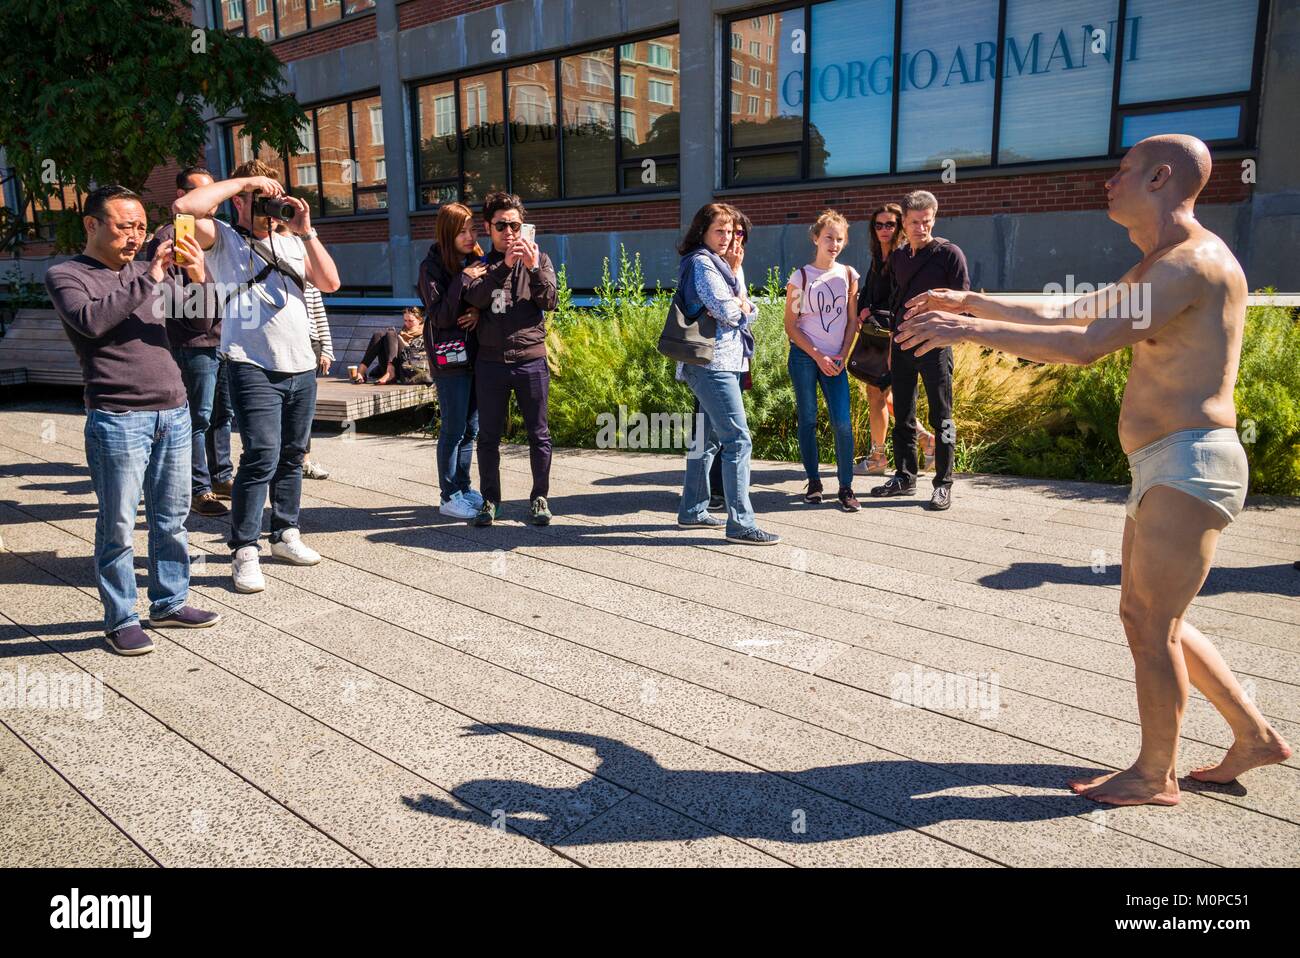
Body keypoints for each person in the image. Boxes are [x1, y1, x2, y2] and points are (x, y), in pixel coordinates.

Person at [899, 134, 1292, 806]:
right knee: (1147, 617)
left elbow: (1084, 346)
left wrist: (965, 334)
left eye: (1123, 171)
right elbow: (1072, 310)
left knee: (1152, 623)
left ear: (1162, 177)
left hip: (1191, 462)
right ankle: (1252, 736)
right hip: (1168, 463)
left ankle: (1153, 775)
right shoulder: (1158, 265)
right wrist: (973, 303)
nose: (1109, 182)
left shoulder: (1189, 265)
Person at [46, 185, 222, 655]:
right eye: (126, 226)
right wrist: (151, 273)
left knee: (171, 520)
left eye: (142, 228)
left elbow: (200, 327)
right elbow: (92, 321)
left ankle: (170, 601)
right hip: (119, 416)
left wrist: (200, 276)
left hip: (174, 410)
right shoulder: (67, 274)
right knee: (119, 524)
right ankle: (121, 618)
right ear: (92, 224)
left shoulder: (153, 274)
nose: (136, 236)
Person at [174, 160, 341, 594]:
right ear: (239, 201)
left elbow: (331, 281)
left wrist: (305, 229)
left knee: (292, 454)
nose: (266, 205)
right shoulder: (223, 239)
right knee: (260, 455)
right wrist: (244, 183)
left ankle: (285, 533)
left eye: (271, 196)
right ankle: (244, 549)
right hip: (249, 362)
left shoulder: (291, 242)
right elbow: (183, 209)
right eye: (257, 198)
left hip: (301, 363)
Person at [675, 203, 780, 545]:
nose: (727, 237)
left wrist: (740, 294)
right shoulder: (702, 263)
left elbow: (741, 307)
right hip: (712, 364)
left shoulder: (726, 265)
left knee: (707, 440)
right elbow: (729, 312)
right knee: (738, 439)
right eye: (719, 230)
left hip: (726, 361)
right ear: (703, 231)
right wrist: (744, 307)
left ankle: (692, 509)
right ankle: (741, 523)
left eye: (732, 231)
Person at [461, 192, 557, 527]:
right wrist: (505, 267)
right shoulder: (481, 266)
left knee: (538, 434)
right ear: (488, 227)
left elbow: (550, 301)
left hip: (530, 359)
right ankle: (490, 500)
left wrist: (530, 266)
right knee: (487, 436)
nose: (509, 231)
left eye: (514, 224)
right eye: (501, 225)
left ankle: (539, 497)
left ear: (524, 226)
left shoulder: (539, 259)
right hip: (491, 363)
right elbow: (474, 296)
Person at [145, 166, 234, 517]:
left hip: (226, 338)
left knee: (223, 414)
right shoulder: (171, 237)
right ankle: (199, 489)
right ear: (181, 197)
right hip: (193, 340)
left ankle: (222, 475)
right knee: (198, 417)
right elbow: (168, 297)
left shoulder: (220, 236)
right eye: (201, 194)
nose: (210, 204)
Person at [871, 190, 967, 511]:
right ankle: (905, 476)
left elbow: (964, 305)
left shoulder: (949, 255)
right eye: (914, 222)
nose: (921, 228)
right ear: (905, 222)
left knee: (943, 417)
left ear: (934, 219)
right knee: (904, 415)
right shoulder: (898, 257)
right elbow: (893, 301)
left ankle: (943, 483)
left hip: (935, 346)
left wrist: (939, 324)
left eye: (926, 222)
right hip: (902, 345)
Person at [785, 210, 861, 511]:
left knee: (842, 422)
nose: (834, 243)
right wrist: (817, 355)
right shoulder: (801, 277)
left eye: (840, 239)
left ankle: (846, 487)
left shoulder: (848, 276)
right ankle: (814, 481)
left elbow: (853, 321)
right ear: (816, 238)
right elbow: (791, 325)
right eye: (829, 237)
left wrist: (842, 354)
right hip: (805, 357)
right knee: (808, 419)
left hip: (836, 360)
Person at [853, 202, 936, 476]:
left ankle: (878, 457)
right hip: (875, 336)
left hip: (892, 336)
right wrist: (862, 309)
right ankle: (926, 440)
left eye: (890, 224)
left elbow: (899, 298)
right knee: (881, 395)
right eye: (879, 225)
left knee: (877, 395)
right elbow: (868, 291)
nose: (884, 229)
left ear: (899, 226)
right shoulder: (879, 256)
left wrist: (873, 311)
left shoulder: (901, 256)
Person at [418, 201, 486, 521]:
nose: (470, 236)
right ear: (448, 233)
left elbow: (490, 297)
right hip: (449, 360)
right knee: (454, 428)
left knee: (471, 429)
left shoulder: (476, 258)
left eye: (472, 229)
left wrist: (476, 311)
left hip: (476, 356)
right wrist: (463, 279)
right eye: (463, 231)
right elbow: (442, 315)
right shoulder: (431, 267)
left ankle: (463, 486)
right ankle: (448, 495)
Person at [302, 277, 334, 480]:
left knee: (304, 409)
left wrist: (327, 350)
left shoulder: (309, 281)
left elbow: (319, 314)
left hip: (310, 342)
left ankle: (304, 461)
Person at [351, 306, 432, 385]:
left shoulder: (425, 333)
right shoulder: (403, 332)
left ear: (420, 320)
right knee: (378, 335)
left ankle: (390, 373)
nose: (407, 323)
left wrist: (401, 341)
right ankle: (362, 371)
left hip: (410, 370)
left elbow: (419, 355)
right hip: (395, 368)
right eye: (405, 320)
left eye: (411, 321)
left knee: (391, 334)